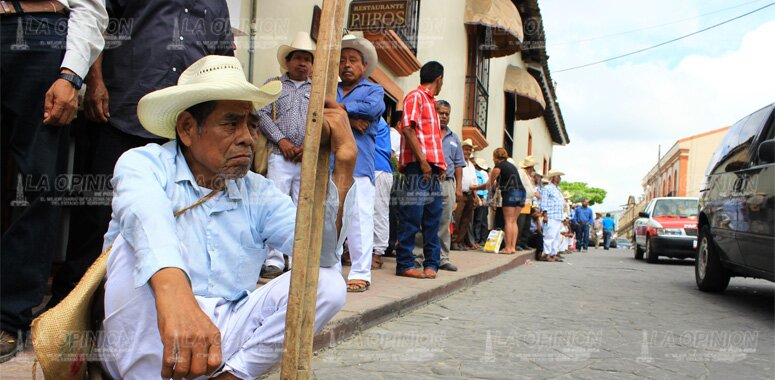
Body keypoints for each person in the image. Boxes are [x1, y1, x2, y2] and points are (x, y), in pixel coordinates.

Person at [97, 55, 356, 379]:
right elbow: (146, 215)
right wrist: (175, 294)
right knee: (129, 245)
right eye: (231, 123)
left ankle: (230, 376)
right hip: (148, 330)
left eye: (251, 124)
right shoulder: (144, 164)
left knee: (327, 281)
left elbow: (319, 253)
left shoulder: (258, 191)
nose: (248, 137)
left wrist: (344, 163)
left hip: (223, 336)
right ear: (188, 129)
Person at [1, 0, 108, 362]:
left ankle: (9, 316)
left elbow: (89, 6)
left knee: (41, 185)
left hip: (41, 34)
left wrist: (70, 74)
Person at [326, 34, 385, 292]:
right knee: (331, 220)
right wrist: (349, 119)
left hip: (360, 167)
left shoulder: (374, 89)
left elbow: (371, 109)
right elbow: (316, 111)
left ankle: (361, 273)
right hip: (328, 166)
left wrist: (336, 110)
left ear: (363, 67)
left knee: (360, 221)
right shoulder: (330, 88)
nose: (346, 65)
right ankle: (331, 273)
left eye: (352, 60)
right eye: (342, 61)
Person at [256, 31, 316, 279]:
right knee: (276, 205)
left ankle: (297, 258)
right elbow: (260, 113)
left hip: (307, 159)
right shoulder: (273, 84)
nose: (302, 63)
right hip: (279, 156)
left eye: (307, 59)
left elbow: (322, 119)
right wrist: (282, 141)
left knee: (303, 208)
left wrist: (308, 146)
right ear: (288, 61)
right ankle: (274, 260)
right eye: (298, 58)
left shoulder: (319, 89)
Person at [394, 61, 447, 280]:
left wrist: (439, 166)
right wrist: (424, 163)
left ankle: (431, 263)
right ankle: (405, 263)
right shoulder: (416, 96)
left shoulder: (432, 103)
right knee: (413, 215)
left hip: (431, 168)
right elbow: (407, 128)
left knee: (433, 218)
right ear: (439, 79)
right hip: (419, 167)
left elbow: (432, 139)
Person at [429, 100, 464, 271]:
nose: (443, 116)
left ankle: (442, 258)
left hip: (447, 183)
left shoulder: (454, 137)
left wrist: (458, 188)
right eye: (440, 112)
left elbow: (458, 164)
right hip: (428, 180)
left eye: (446, 114)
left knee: (444, 221)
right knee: (424, 219)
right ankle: (418, 257)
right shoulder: (428, 132)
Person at [471, 148, 524, 254]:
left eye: (493, 157)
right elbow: (496, 184)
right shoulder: (511, 166)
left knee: (508, 221)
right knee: (514, 221)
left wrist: (474, 188)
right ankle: (513, 247)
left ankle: (508, 248)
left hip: (510, 193)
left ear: (495, 157)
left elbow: (489, 185)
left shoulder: (498, 166)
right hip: (521, 193)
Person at [372, 118, 394, 270]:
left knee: (379, 212)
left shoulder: (374, 116)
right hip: (367, 168)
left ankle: (377, 254)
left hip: (378, 169)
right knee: (358, 213)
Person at [451, 139, 479, 251]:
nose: (468, 152)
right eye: (466, 149)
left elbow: (474, 181)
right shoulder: (457, 161)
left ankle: (460, 242)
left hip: (469, 194)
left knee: (466, 219)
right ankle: (453, 241)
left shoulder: (471, 165)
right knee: (457, 218)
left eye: (470, 150)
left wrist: (475, 196)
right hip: (460, 193)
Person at [539, 169, 566, 262]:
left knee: (556, 237)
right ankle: (546, 253)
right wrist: (545, 215)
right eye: (558, 176)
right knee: (549, 236)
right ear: (553, 177)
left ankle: (553, 253)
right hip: (551, 215)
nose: (560, 178)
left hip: (558, 216)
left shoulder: (557, 189)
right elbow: (544, 202)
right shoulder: (547, 188)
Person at [516, 156, 537, 250]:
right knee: (521, 222)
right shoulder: (521, 173)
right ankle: (517, 242)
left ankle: (523, 242)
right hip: (523, 200)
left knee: (526, 223)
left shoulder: (528, 176)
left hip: (528, 201)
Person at [472, 157, 490, 245]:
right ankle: (476, 239)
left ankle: (480, 239)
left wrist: (485, 197)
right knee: (477, 219)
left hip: (482, 196)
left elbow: (486, 187)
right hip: (476, 195)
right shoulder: (473, 172)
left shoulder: (484, 174)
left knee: (481, 220)